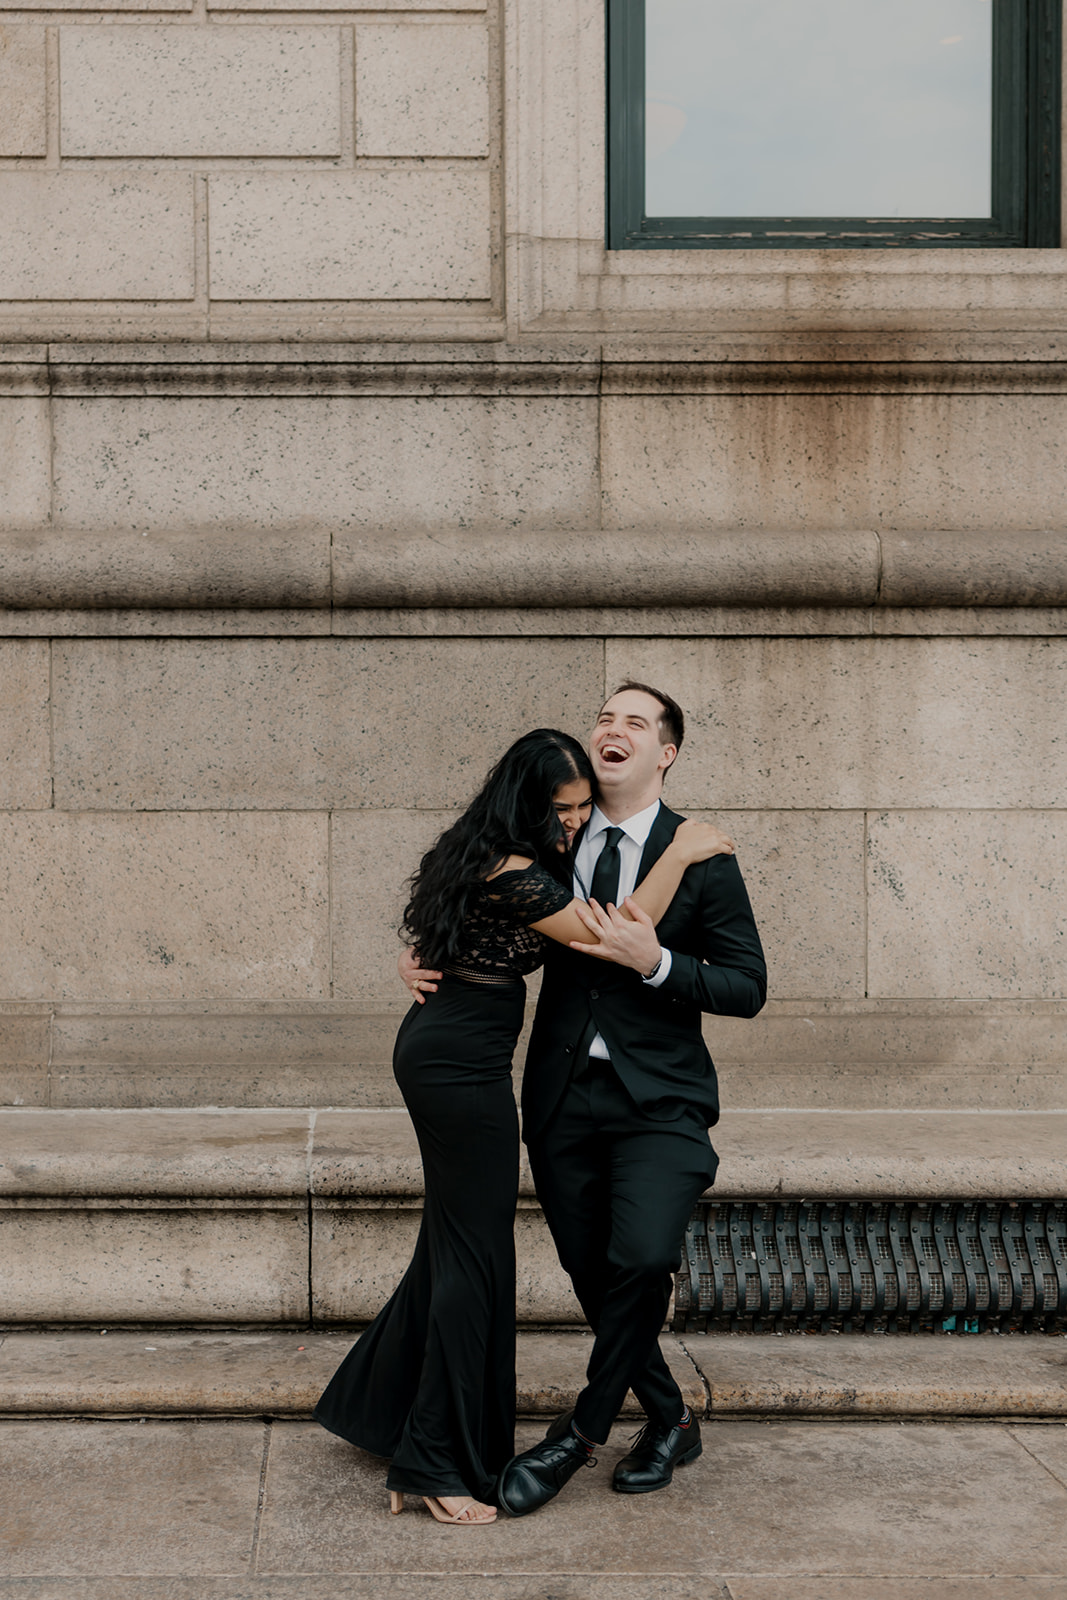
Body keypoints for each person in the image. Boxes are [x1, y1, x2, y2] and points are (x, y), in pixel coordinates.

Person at [315, 727, 734, 1527]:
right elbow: (612, 940)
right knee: (475, 1257)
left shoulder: (486, 845)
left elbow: (435, 932)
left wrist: (414, 959)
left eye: (581, 809)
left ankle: (382, 1413)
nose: (574, 822)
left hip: (447, 1051)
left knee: (451, 1244)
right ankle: (433, 1462)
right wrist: (677, 855)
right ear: (528, 803)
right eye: (564, 809)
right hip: (460, 1070)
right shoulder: (510, 867)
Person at [492, 683, 768, 1515]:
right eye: (604, 718)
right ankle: (671, 1418)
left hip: (661, 1101)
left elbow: (746, 986)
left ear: (665, 753)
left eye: (634, 723)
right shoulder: (548, 841)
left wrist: (658, 965)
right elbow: (481, 911)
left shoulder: (703, 853)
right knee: (591, 1275)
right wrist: (422, 960)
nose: (612, 731)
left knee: (642, 1259)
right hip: (561, 1095)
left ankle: (578, 1434)